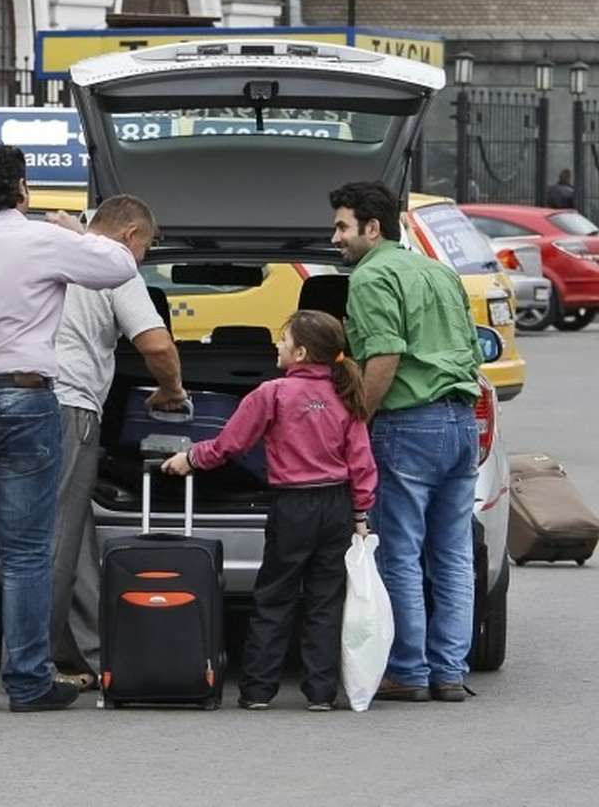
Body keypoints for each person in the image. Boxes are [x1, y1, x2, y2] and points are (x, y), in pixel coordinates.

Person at [0, 143, 139, 713]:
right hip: (23, 398)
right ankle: (25, 680)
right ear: (21, 189)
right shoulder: (43, 238)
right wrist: (77, 228)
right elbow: (120, 265)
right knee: (24, 552)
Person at [164, 310, 377, 711]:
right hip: (335, 506)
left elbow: (230, 445)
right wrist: (361, 514)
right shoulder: (346, 395)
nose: (276, 346)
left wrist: (189, 459)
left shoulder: (272, 393)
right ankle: (321, 693)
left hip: (292, 505)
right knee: (325, 600)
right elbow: (362, 462)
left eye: (283, 340)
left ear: (299, 352)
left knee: (275, 595)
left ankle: (258, 690)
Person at [330, 181, 483, 703]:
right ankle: (449, 671)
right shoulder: (439, 271)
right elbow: (470, 351)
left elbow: (385, 359)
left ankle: (409, 671)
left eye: (342, 227)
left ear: (373, 229)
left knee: (400, 552)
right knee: (454, 554)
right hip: (462, 422)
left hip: (410, 424)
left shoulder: (371, 277)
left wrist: (357, 423)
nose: (335, 238)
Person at [49, 194, 186, 691]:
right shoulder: (114, 265)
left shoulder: (52, 249)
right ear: (130, 235)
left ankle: (75, 650)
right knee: (57, 538)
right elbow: (156, 343)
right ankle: (35, 659)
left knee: (42, 534)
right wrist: (172, 392)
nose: (143, 259)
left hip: (21, 399)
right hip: (72, 407)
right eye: (146, 248)